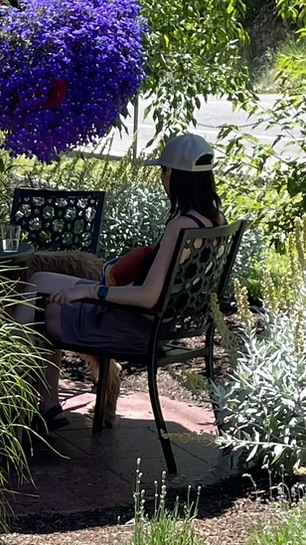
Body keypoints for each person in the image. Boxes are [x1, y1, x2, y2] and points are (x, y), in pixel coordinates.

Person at [14, 132, 225, 423]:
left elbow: (147, 296)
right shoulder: (214, 221)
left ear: (177, 175)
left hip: (138, 329)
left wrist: (91, 293)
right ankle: (47, 407)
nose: (162, 178)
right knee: (40, 282)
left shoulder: (180, 226)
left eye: (164, 170)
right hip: (163, 325)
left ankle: (12, 389)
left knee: (43, 312)